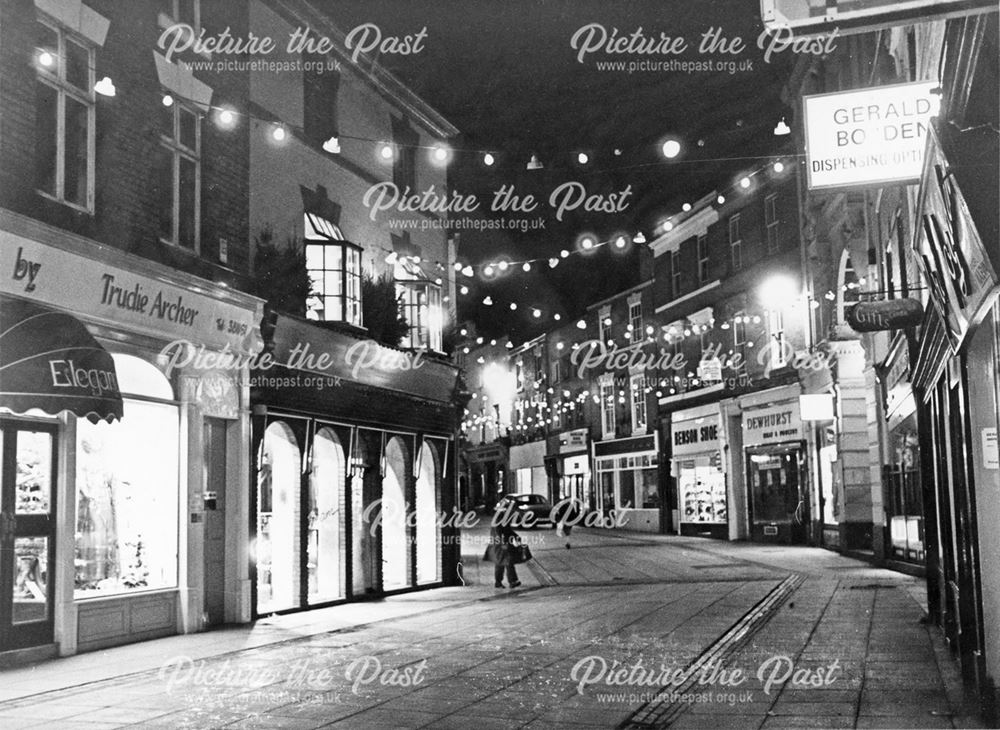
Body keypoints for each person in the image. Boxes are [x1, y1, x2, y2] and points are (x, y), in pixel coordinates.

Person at [490, 506, 522, 589]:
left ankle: (509, 581)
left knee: (506, 562)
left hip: (504, 544)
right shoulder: (498, 520)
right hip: (500, 545)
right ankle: (503, 582)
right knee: (504, 563)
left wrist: (516, 536)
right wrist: (503, 543)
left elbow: (508, 531)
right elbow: (498, 533)